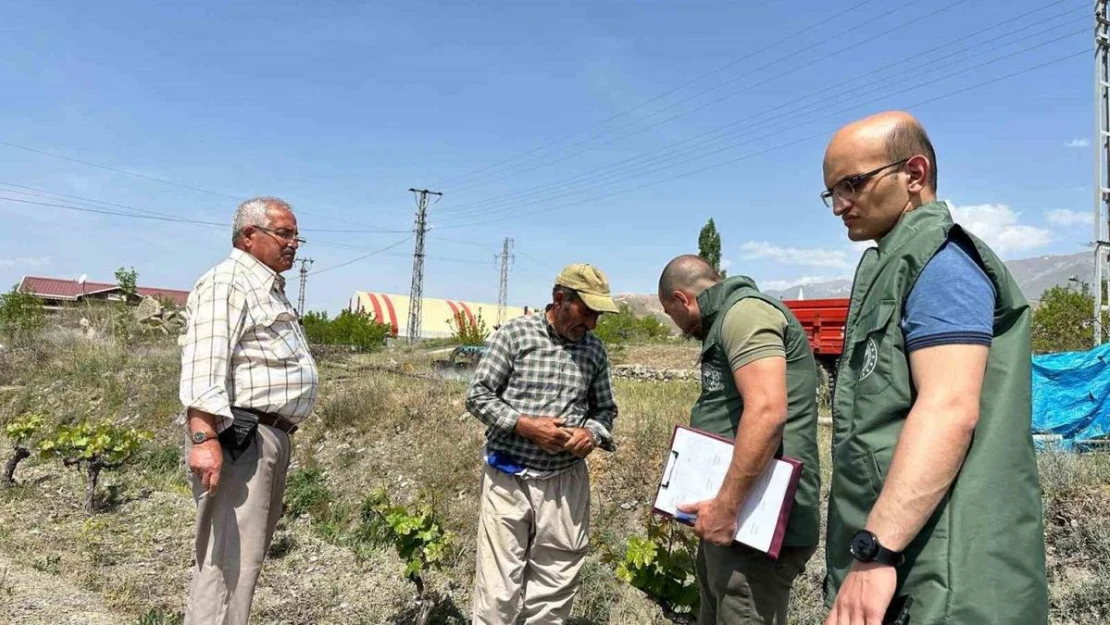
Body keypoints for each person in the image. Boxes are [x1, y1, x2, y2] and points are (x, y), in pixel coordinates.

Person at [819, 111, 1048, 624]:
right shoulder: (895, 262)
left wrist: (875, 553)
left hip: (941, 570)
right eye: (831, 192)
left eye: (852, 184)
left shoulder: (941, 265)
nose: (839, 206)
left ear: (914, 174)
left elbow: (948, 409)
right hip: (912, 557)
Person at [657, 255, 821, 625]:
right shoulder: (727, 320)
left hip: (752, 521)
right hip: (736, 517)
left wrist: (727, 508)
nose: (676, 323)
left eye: (671, 313)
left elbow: (766, 412)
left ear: (682, 300)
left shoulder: (745, 314)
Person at [178, 196, 319, 625]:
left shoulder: (266, 287)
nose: (294, 243)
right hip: (241, 438)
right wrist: (203, 436)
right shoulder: (229, 282)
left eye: (296, 235)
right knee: (226, 564)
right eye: (284, 233)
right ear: (248, 236)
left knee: (243, 562)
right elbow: (206, 360)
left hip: (266, 438)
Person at [465, 263, 621, 625]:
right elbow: (477, 396)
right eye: (587, 312)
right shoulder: (515, 336)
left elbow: (605, 410)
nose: (593, 324)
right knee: (497, 590)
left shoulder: (594, 351)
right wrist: (524, 426)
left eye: (598, 315)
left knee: (555, 586)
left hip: (564, 483)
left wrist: (592, 434)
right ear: (559, 299)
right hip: (508, 478)